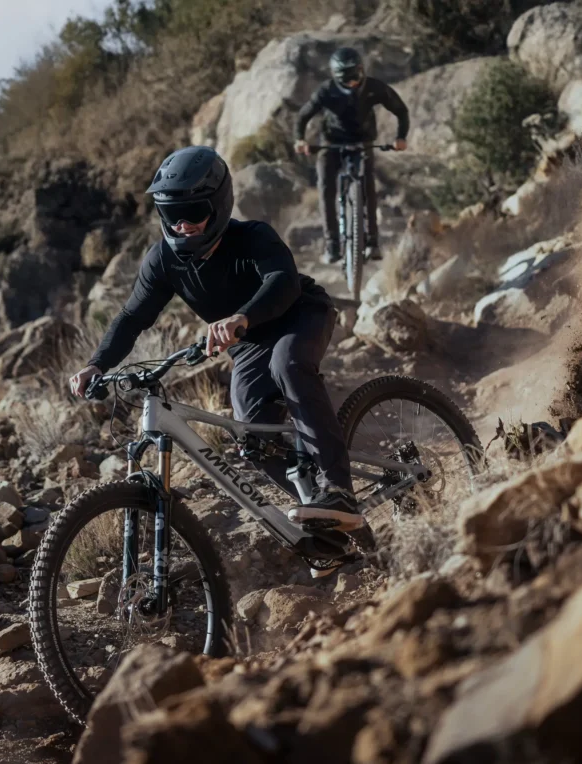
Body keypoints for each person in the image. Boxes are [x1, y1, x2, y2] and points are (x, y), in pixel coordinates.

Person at [69, 146, 367, 533]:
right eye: (172, 214)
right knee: (251, 438)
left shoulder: (253, 237)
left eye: (194, 212)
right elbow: (131, 317)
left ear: (219, 204)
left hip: (300, 314)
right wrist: (97, 364)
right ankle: (325, 520)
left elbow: (283, 282)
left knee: (288, 365)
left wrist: (243, 316)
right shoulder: (162, 261)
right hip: (248, 345)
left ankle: (338, 490)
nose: (183, 225)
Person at [294, 47, 410, 265]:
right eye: (347, 79)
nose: (353, 82)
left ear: (362, 69)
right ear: (336, 77)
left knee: (368, 186)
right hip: (331, 143)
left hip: (362, 141)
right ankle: (332, 245)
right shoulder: (326, 91)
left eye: (356, 75)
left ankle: (372, 242)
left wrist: (400, 137)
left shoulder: (374, 88)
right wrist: (300, 140)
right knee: (325, 187)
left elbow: (401, 111)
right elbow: (303, 116)